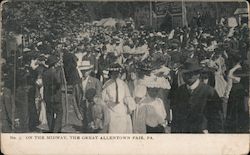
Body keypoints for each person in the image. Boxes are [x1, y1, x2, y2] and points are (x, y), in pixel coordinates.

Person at [171, 58, 224, 133]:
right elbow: (176, 118)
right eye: (186, 73)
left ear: (198, 74)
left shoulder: (209, 92)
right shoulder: (180, 91)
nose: (189, 76)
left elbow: (217, 119)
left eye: (193, 73)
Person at [102, 63, 136, 133]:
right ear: (110, 73)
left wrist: (129, 106)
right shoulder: (106, 84)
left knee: (123, 126)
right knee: (113, 127)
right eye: (113, 73)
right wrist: (108, 101)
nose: (115, 75)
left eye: (117, 73)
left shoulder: (123, 84)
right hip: (111, 109)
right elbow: (103, 98)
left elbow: (127, 96)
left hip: (121, 108)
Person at [42, 55, 64, 133]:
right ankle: (56, 130)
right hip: (55, 96)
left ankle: (51, 129)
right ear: (54, 64)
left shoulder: (45, 72)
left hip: (47, 96)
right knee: (59, 113)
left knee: (49, 113)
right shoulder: (55, 72)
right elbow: (58, 82)